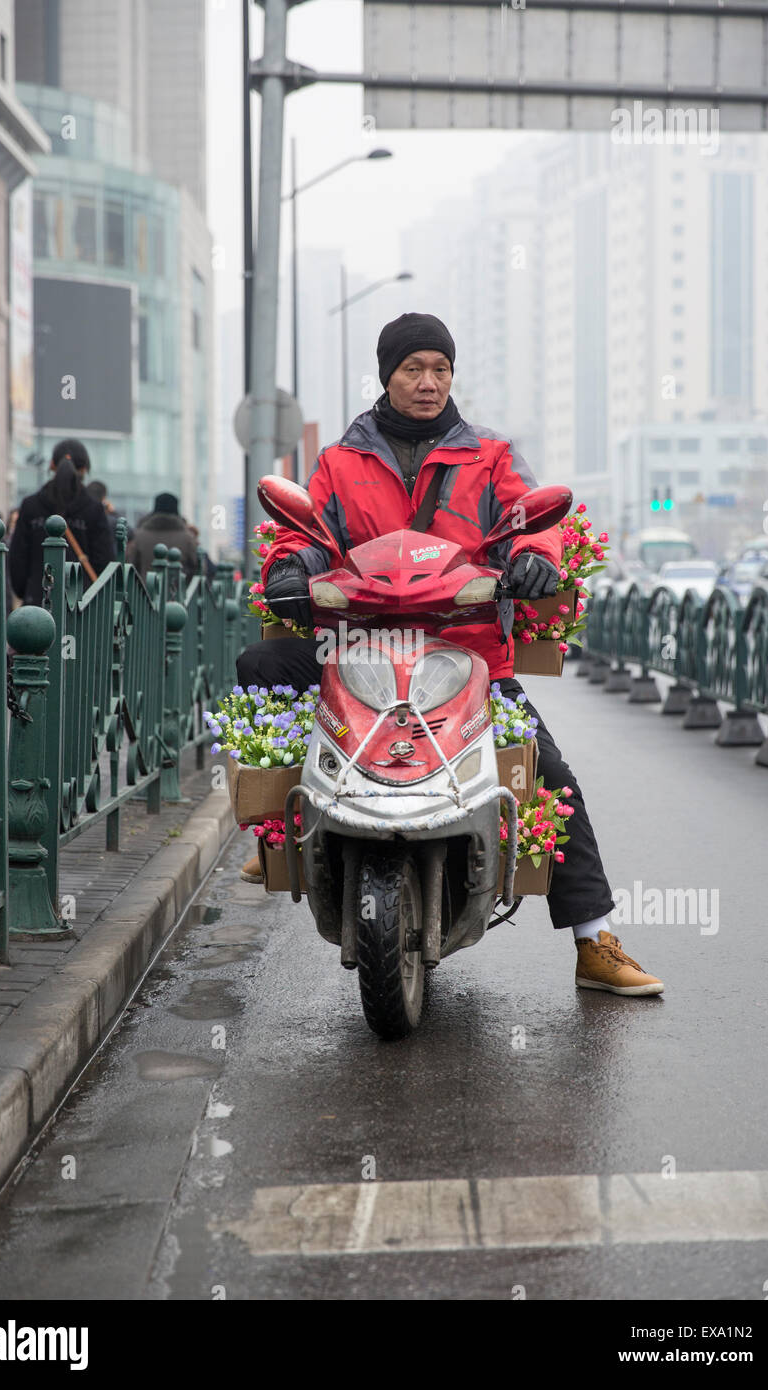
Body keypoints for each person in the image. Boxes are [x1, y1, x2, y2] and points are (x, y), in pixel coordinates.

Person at [236, 312, 663, 997]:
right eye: (413, 369)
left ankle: (595, 940)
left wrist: (533, 560)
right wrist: (289, 568)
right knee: (260, 668)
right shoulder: (342, 461)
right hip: (359, 650)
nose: (429, 382)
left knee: (546, 770)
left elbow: (531, 520)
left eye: (440, 369)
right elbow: (307, 532)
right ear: (387, 376)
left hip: (464, 657)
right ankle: (276, 831)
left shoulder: (489, 456)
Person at [8, 440, 115, 606]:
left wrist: (26, 591)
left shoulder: (31, 505)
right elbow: (104, 560)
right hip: (82, 605)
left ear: (52, 465)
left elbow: (18, 557)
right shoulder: (94, 509)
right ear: (85, 468)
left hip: (38, 602)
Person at [126, 493, 200, 581]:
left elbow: (130, 565)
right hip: (178, 592)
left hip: (145, 591)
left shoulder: (139, 536)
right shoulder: (187, 538)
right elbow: (198, 569)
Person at [87, 479, 134, 551]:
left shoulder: (80, 515)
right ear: (103, 498)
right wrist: (113, 512)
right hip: (105, 559)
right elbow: (130, 533)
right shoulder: (109, 520)